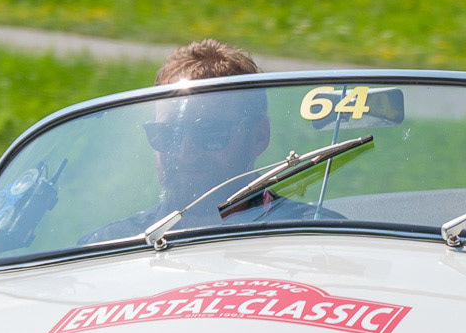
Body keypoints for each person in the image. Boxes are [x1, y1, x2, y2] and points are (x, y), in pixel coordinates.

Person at [80, 40, 314, 245]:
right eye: (168, 134)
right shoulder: (109, 244)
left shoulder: (311, 238)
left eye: (211, 132)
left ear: (258, 136)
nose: (184, 153)